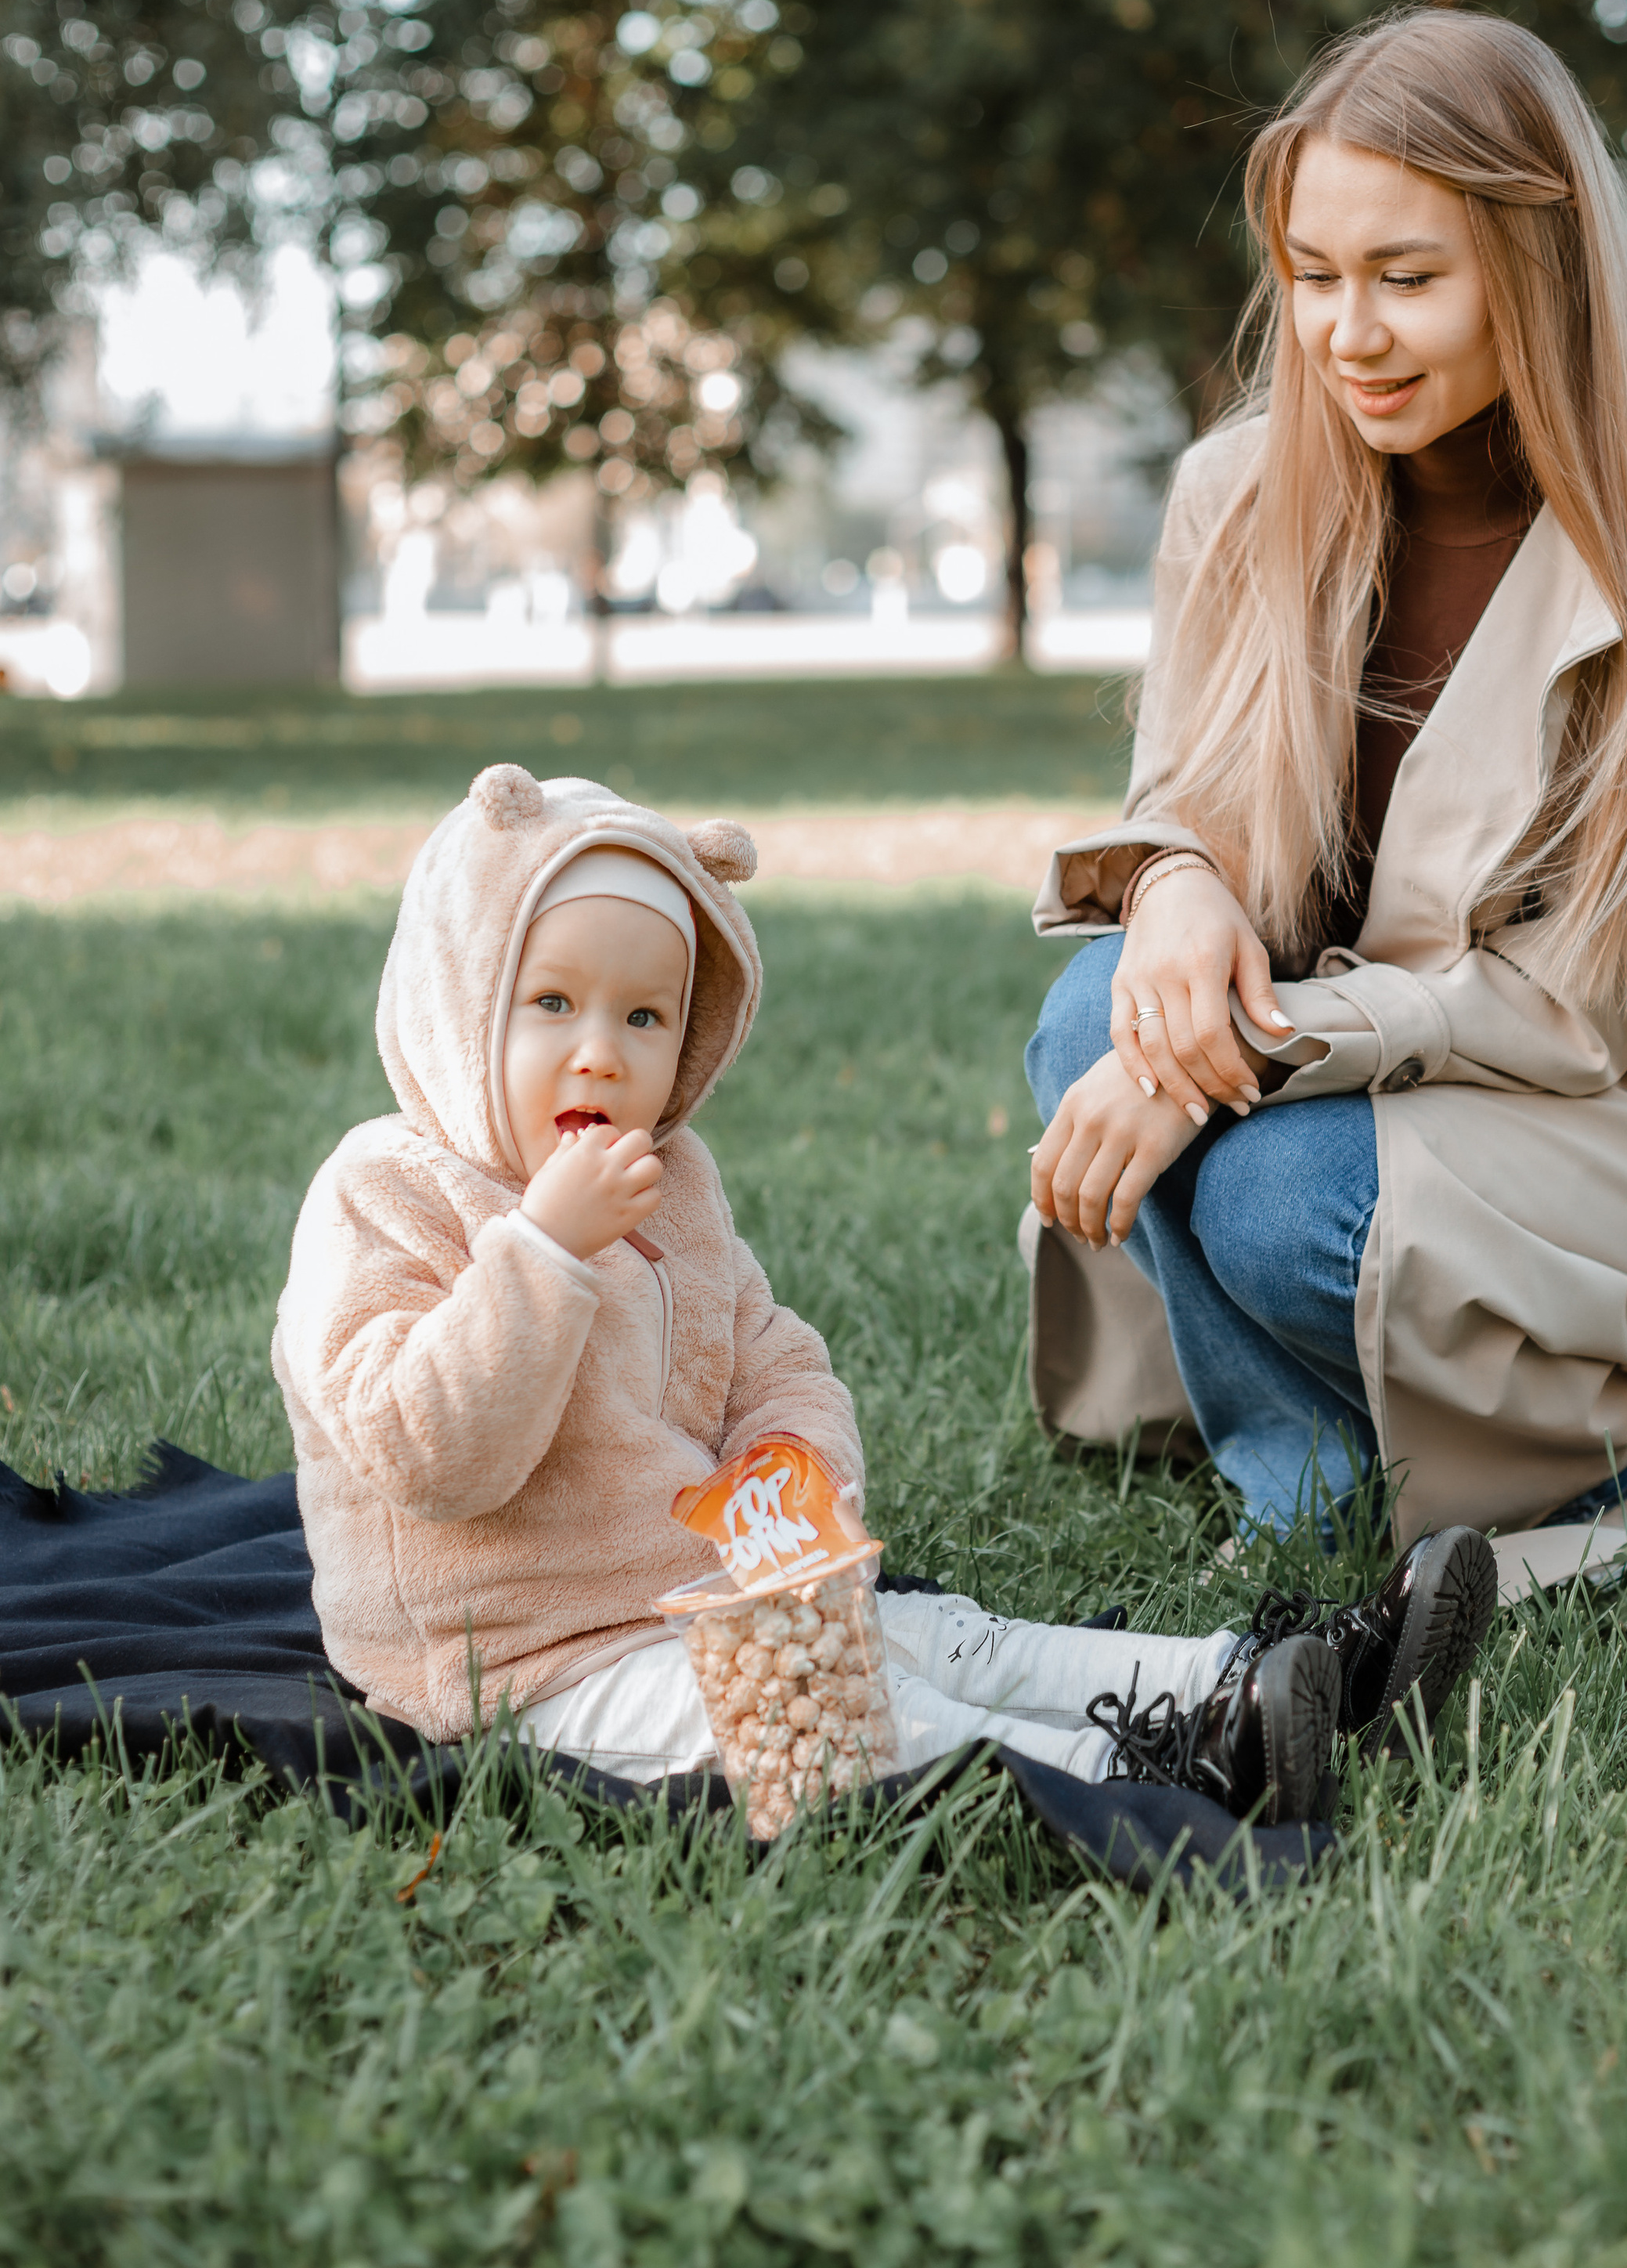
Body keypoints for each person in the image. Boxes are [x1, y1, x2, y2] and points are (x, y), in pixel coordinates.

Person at [1025, 7, 1627, 1606]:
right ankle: (1310, 1467)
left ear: (1537, 270)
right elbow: (1183, 797)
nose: (1348, 333)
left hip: (1596, 1107)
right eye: (1314, 276)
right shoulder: (1236, 495)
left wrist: (1228, 1060)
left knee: (1270, 1193)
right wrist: (1177, 892)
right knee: (1085, 1021)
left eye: (1406, 278)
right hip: (1356, 1052)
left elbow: (1574, 1013)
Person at [271, 762, 1463, 1826]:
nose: (602, 1052)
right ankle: (1159, 1766)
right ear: (459, 997)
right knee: (836, 1727)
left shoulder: (672, 1182)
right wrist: (543, 1251)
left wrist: (793, 1478)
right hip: (533, 1659)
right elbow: (426, 1451)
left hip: (698, 1594)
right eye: (551, 1005)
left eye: (645, 1017)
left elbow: (765, 1354)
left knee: (939, 1638)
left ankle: (1258, 1676)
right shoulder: (388, 1193)